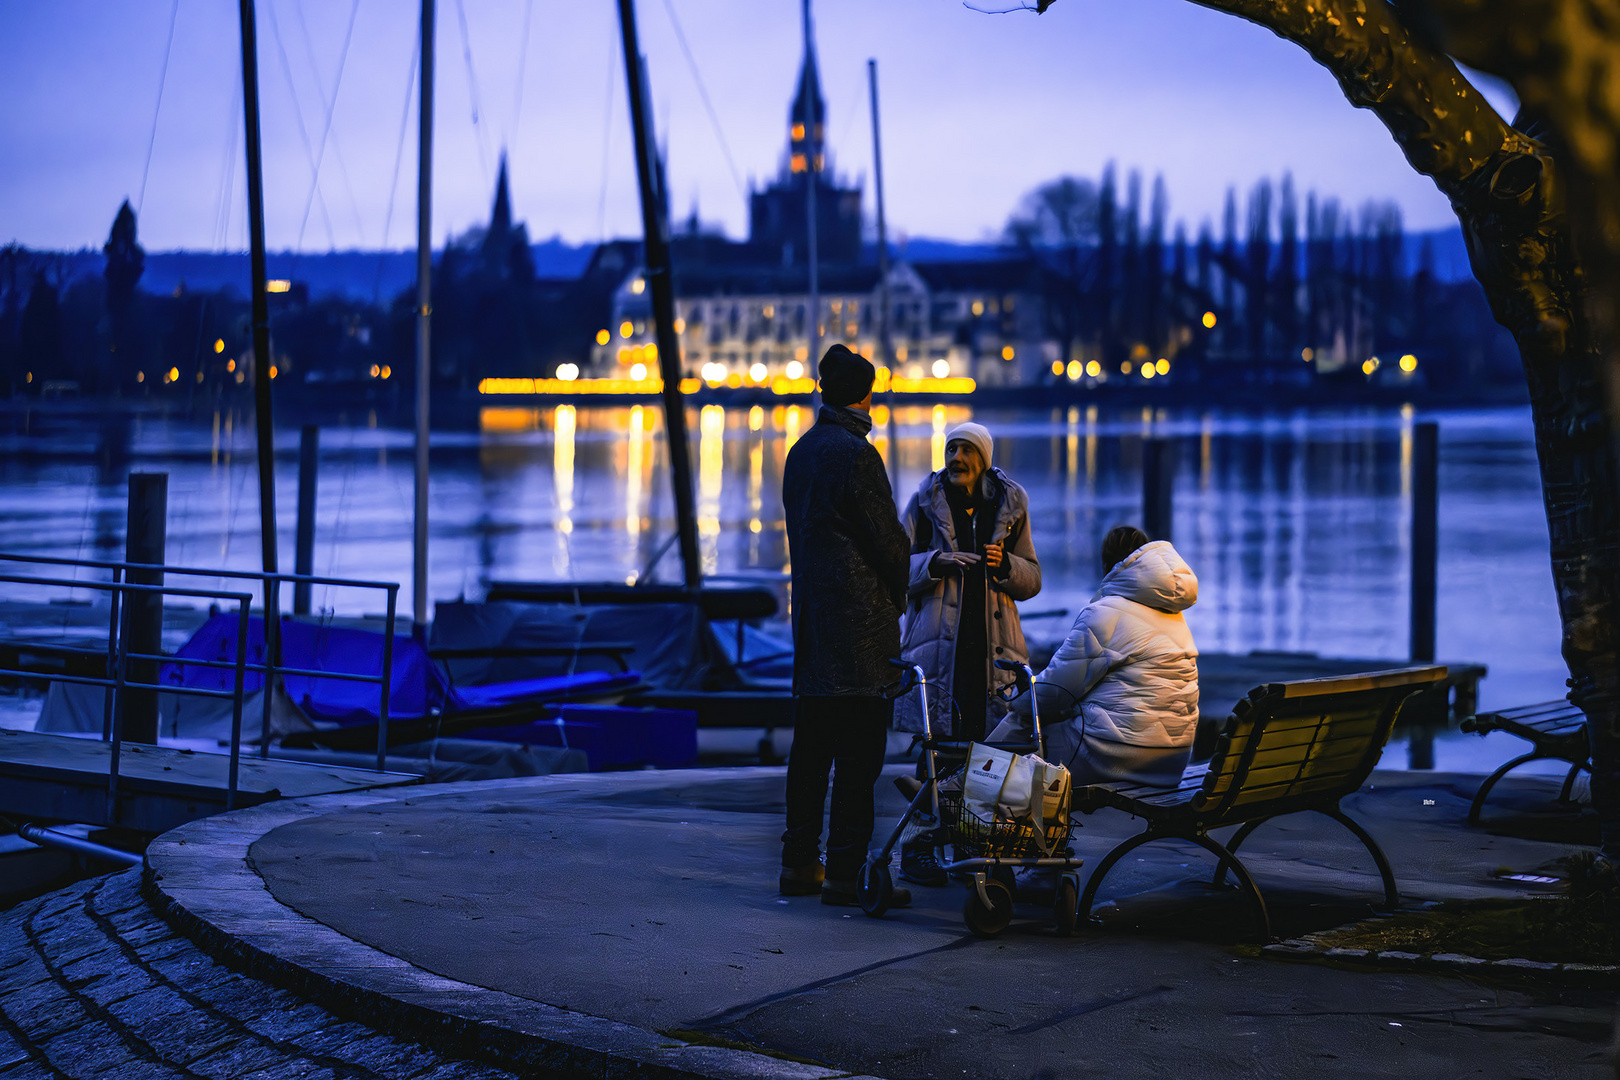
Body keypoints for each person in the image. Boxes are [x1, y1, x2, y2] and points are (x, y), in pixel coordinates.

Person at [779, 344, 913, 907]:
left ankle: (798, 864)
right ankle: (844, 872)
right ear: (865, 395)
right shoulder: (858, 455)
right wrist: (901, 591)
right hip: (858, 631)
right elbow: (888, 542)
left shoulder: (801, 451)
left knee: (809, 752)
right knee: (859, 758)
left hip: (812, 624)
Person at [893, 422, 1041, 886]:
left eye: (966, 451)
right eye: (951, 449)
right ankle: (919, 851)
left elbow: (1033, 579)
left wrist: (1008, 566)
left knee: (991, 754)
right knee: (937, 751)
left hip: (993, 652)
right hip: (939, 652)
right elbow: (894, 568)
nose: (956, 458)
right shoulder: (923, 501)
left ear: (983, 459)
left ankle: (980, 853)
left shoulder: (1011, 504)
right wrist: (934, 563)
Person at [993, 525, 1199, 788]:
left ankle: (967, 787)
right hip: (1172, 760)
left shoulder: (1106, 614)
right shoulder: (1175, 617)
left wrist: (1017, 702)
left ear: (1109, 565)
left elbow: (1055, 692)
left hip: (1117, 754)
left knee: (1025, 717)